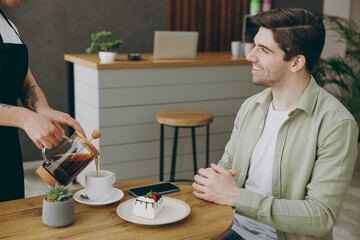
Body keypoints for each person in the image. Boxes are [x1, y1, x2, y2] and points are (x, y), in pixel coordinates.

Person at [192, 8, 358, 240]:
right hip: (228, 227)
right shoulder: (251, 107)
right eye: (255, 45)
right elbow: (227, 166)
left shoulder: (336, 124)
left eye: (264, 49)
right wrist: (213, 182)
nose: (251, 56)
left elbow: (321, 216)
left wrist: (237, 197)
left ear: (296, 62)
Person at [0, 0, 85, 202]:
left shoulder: (9, 26)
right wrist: (25, 118)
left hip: (7, 148)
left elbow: (26, 83)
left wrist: (42, 109)